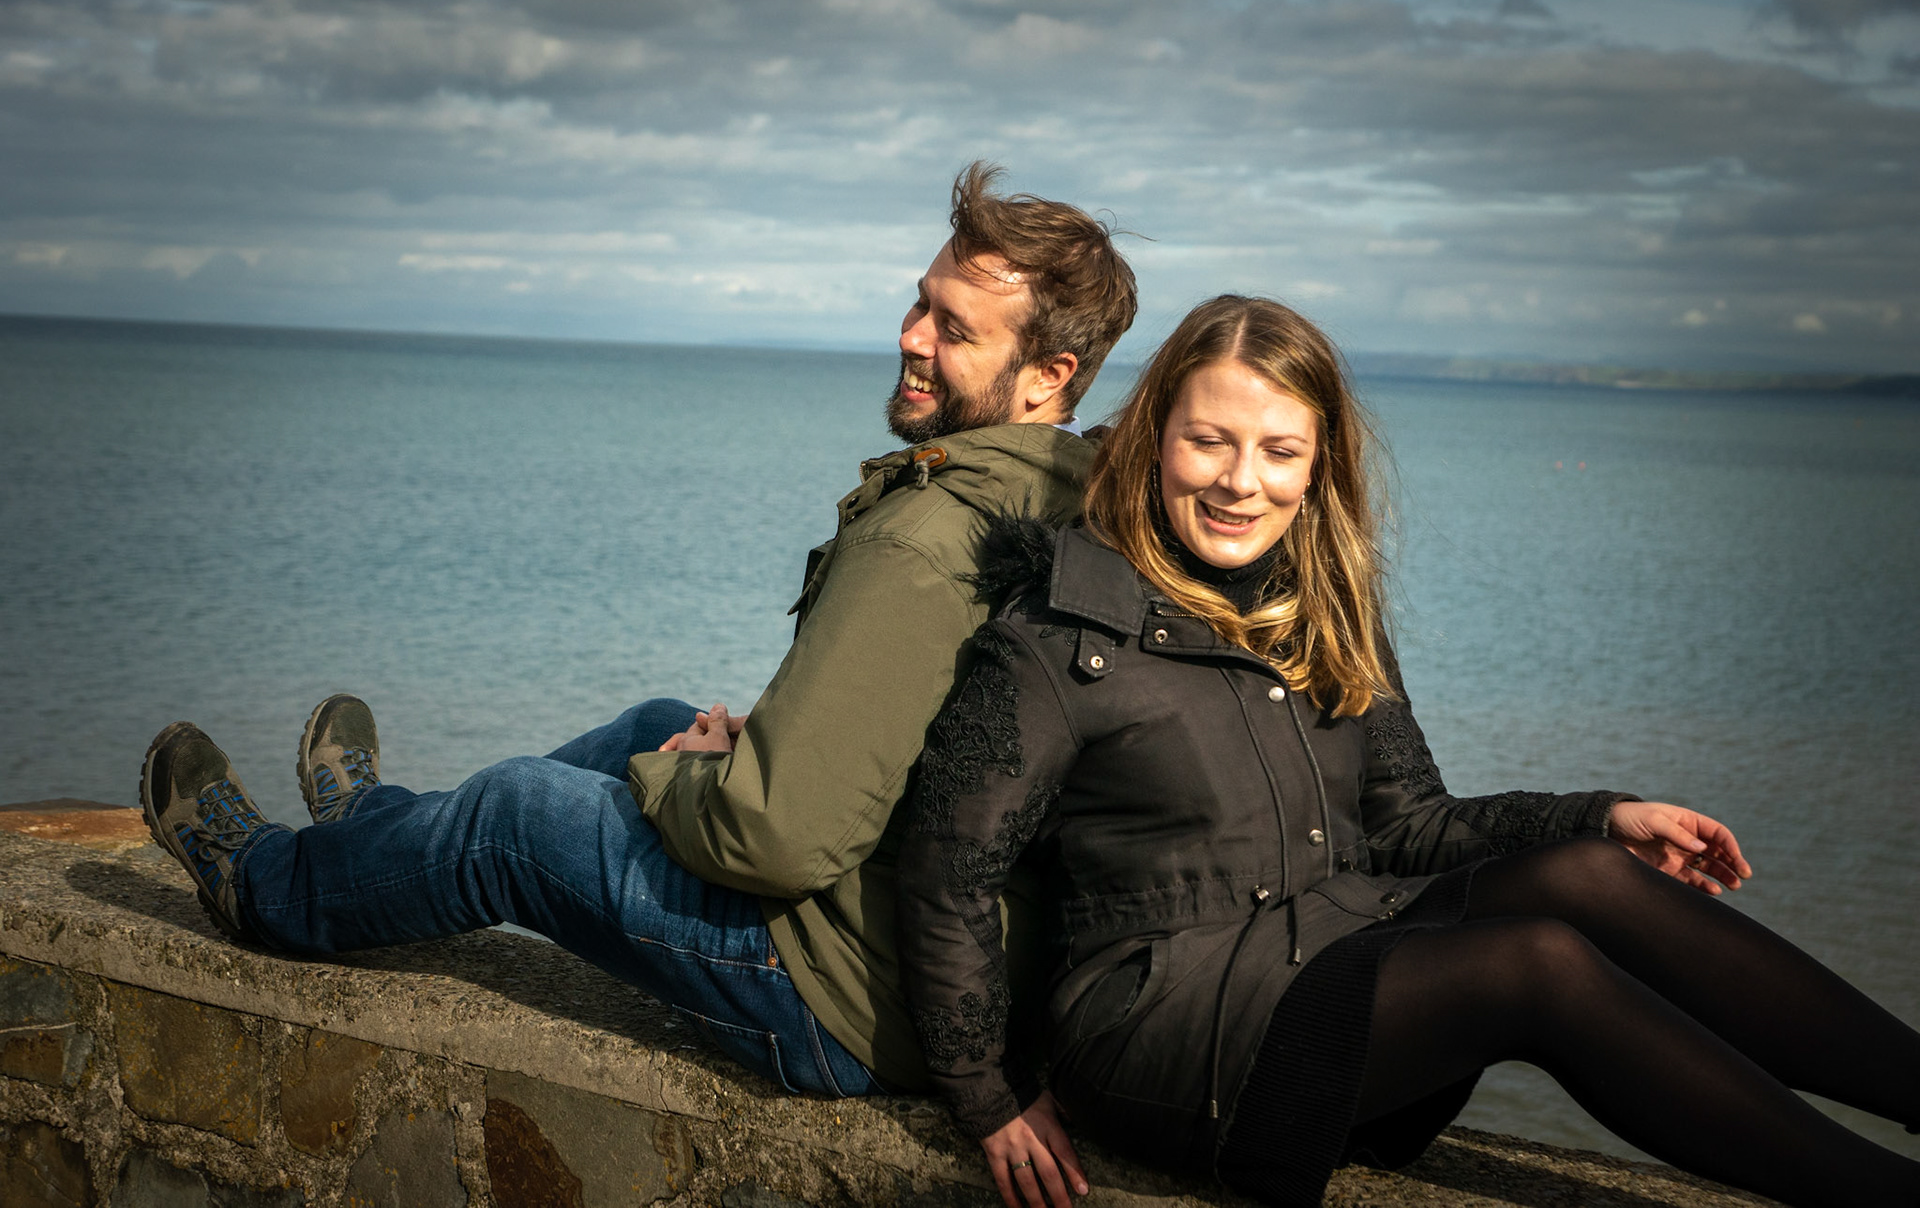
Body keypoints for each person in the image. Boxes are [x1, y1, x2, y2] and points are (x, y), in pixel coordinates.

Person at [139, 161, 1137, 1100]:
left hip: (842, 1002)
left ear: (1049, 375)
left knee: (515, 813)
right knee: (654, 719)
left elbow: (781, 839)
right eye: (921, 301)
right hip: (922, 959)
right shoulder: (1059, 502)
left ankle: (264, 884)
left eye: (954, 328)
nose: (914, 335)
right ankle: (376, 835)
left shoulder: (927, 538)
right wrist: (744, 751)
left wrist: (688, 777)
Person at [896, 294, 1920, 1208]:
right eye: (1209, 441)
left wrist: (1602, 814)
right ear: (1157, 437)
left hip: (1328, 961)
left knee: (1583, 874)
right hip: (1166, 1028)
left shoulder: (1322, 613)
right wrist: (987, 1096)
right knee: (1539, 962)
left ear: (1319, 462)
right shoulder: (1058, 634)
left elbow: (1412, 824)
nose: (1240, 482)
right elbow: (948, 872)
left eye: (1279, 451)